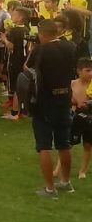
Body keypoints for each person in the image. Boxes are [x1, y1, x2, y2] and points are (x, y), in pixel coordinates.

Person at [27, 19, 77, 198]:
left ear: (42, 34)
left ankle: (50, 188)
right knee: (64, 143)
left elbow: (27, 70)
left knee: (44, 146)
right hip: (64, 99)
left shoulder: (40, 50)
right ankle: (65, 182)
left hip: (44, 102)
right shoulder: (70, 47)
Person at [1, 6, 32, 120]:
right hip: (23, 60)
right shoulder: (26, 30)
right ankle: (22, 110)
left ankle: (14, 113)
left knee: (16, 87)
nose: (11, 17)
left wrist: (4, 39)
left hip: (15, 60)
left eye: (14, 15)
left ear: (20, 18)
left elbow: (11, 46)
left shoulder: (15, 30)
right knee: (21, 85)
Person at [68, 58, 92, 179]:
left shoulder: (91, 85)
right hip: (75, 116)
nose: (90, 73)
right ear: (79, 71)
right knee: (69, 144)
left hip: (89, 117)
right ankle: (58, 169)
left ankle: (83, 170)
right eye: (87, 70)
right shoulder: (72, 83)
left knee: (88, 145)